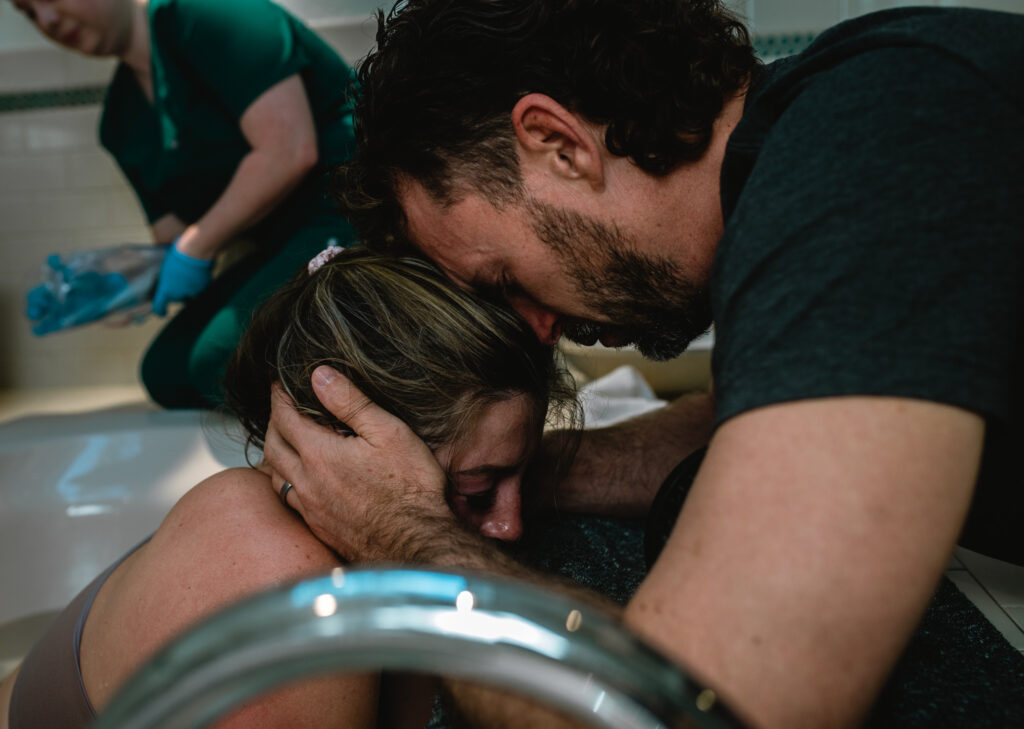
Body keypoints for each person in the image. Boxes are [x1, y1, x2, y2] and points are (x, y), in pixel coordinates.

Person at [261, 2, 1024, 728]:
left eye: (504, 282)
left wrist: (409, 539)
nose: (537, 329)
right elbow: (776, 421)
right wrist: (506, 471)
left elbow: (705, 710)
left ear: (558, 144)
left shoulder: (870, 155)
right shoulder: (824, 139)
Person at [0, 246, 579, 729]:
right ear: (342, 442)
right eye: (477, 492)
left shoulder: (333, 556)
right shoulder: (278, 577)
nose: (511, 525)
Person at [11, 0, 361, 408]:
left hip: (354, 207)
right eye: (28, 13)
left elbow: (288, 150)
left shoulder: (206, 13)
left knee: (219, 358)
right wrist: (115, 283)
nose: (47, 20)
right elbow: (172, 240)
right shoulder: (120, 122)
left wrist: (194, 248)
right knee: (165, 372)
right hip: (280, 246)